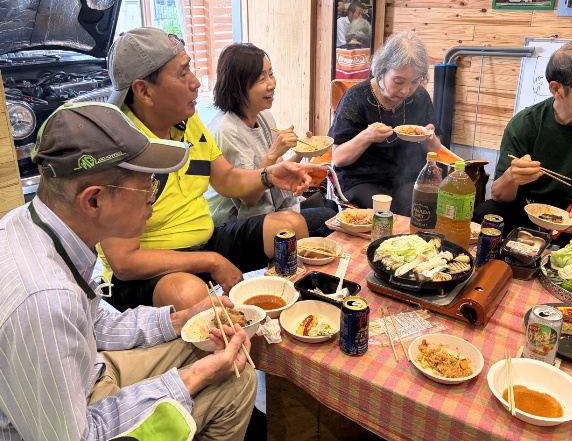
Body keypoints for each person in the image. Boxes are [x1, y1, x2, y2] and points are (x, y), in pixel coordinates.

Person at [0, 102, 257, 440]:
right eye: (148, 186)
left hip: (90, 372)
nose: (153, 198)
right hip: (77, 419)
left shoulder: (32, 223)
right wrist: (194, 378)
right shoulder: (44, 300)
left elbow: (92, 325)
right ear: (94, 200)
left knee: (222, 356)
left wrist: (181, 319)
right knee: (228, 379)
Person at [100, 27, 327, 312]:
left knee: (290, 226)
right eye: (183, 73)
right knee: (189, 294)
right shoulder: (116, 148)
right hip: (145, 272)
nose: (196, 82)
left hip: (203, 242)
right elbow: (125, 262)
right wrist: (211, 261)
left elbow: (228, 179)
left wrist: (269, 175)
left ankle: (286, 315)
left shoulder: (187, 120)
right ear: (144, 90)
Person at [473, 40, 572, 254]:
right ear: (557, 89)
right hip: (530, 209)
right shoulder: (526, 123)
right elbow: (499, 195)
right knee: (486, 214)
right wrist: (512, 177)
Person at [207, 43, 337, 237]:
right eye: (262, 79)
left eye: (271, 74)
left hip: (269, 209)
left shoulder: (263, 117)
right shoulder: (227, 130)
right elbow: (250, 200)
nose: (272, 84)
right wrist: (274, 152)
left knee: (330, 205)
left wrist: (301, 153)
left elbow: (278, 170)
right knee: (328, 218)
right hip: (235, 224)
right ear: (237, 88)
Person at [328, 31, 442, 216]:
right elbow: (339, 158)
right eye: (398, 81)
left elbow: (435, 151)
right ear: (381, 70)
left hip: (408, 178)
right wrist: (366, 137)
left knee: (425, 210)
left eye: (415, 82)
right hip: (363, 179)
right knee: (386, 214)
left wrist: (429, 138)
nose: (406, 91)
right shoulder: (356, 98)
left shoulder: (420, 96)